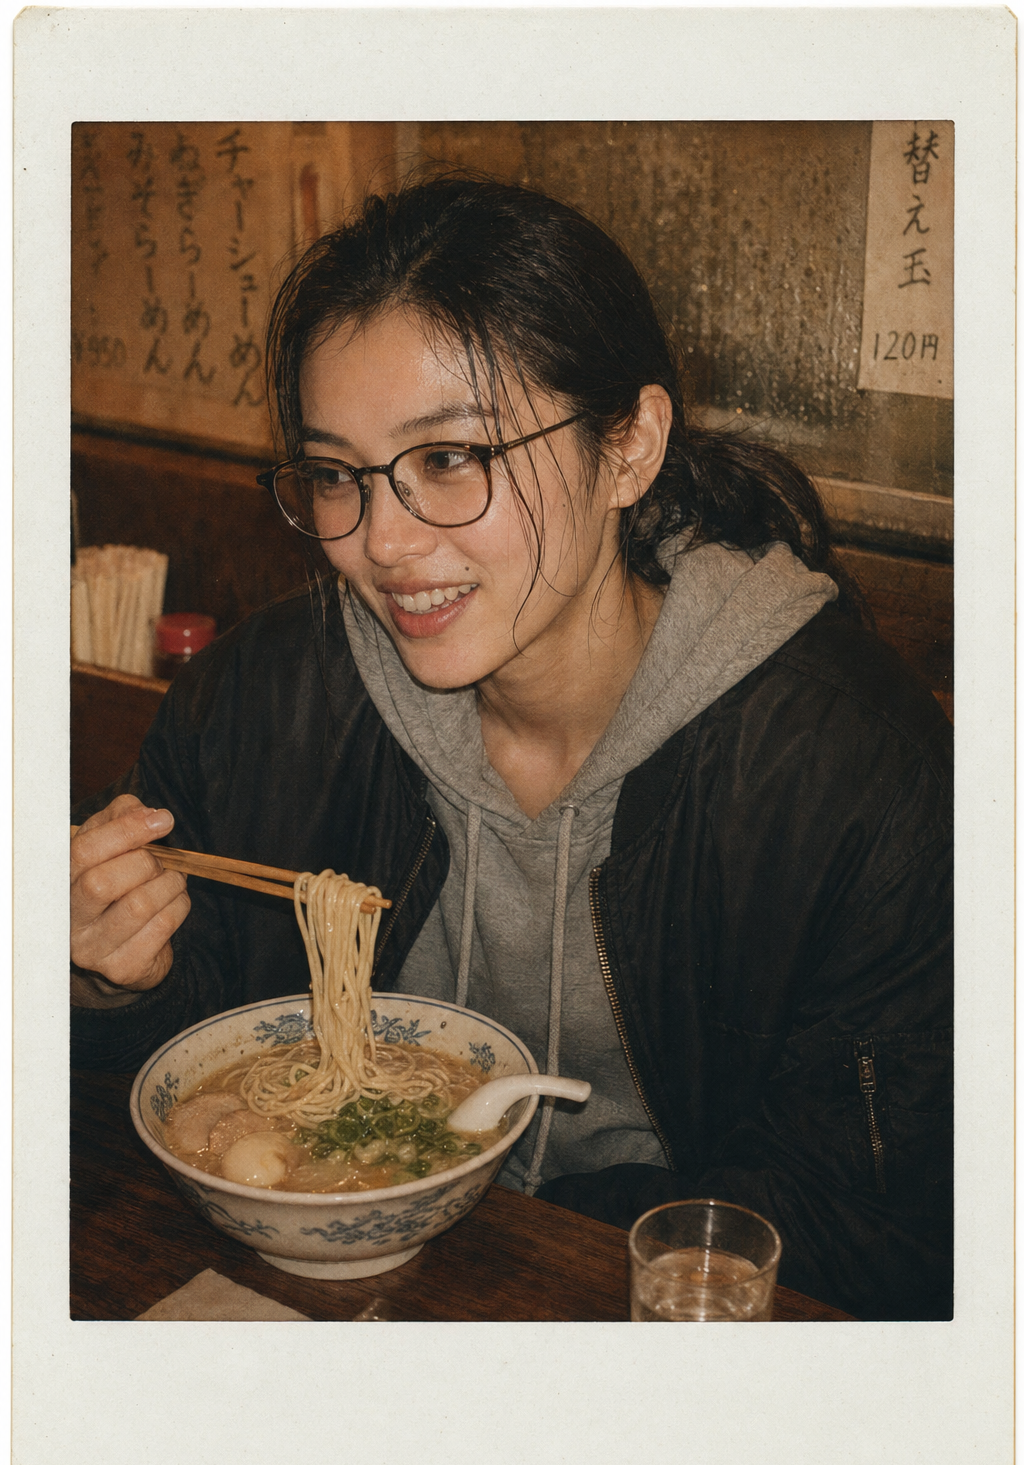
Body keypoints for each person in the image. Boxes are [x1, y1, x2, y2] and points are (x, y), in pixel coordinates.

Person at [70, 175, 952, 1320]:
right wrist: (99, 978)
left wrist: (467, 1235)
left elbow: (872, 1220)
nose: (382, 541)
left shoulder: (849, 770)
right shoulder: (260, 698)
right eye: (337, 474)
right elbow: (150, 1080)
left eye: (449, 459)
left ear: (627, 447)